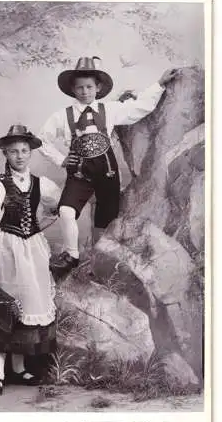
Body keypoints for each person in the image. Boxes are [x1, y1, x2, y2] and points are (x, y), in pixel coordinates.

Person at [38, 56, 178, 277]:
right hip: (79, 173)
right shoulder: (61, 117)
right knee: (65, 210)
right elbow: (41, 140)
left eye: (89, 87)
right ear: (72, 90)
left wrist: (159, 84)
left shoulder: (110, 110)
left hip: (107, 172)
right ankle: (71, 256)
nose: (84, 92)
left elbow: (139, 107)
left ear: (98, 87)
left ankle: (98, 262)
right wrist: (60, 159)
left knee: (105, 222)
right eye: (80, 88)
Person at [0, 125, 60, 397]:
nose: (20, 156)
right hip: (3, 251)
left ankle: (18, 369)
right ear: (5, 154)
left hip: (32, 253)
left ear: (30, 153)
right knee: (1, 312)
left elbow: (59, 206)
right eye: (14, 151)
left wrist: (47, 220)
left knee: (26, 309)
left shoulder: (41, 184)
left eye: (24, 151)